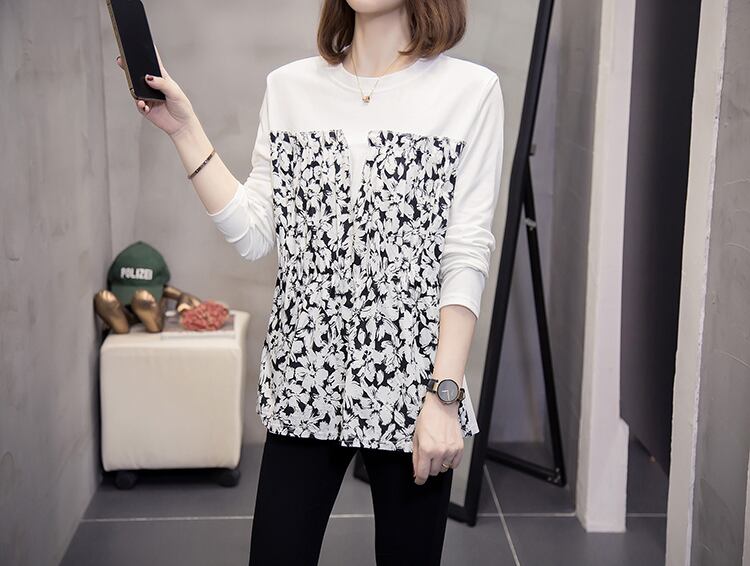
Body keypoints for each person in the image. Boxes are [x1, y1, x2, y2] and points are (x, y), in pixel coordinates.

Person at [116, 0, 504, 563]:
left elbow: (465, 255)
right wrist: (184, 130)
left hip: (414, 389)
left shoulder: (470, 92)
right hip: (304, 380)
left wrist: (444, 397)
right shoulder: (289, 88)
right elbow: (254, 231)